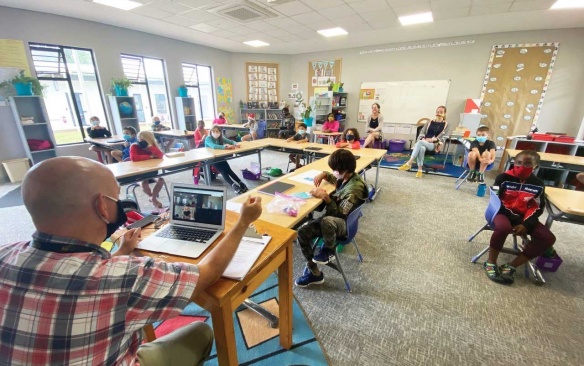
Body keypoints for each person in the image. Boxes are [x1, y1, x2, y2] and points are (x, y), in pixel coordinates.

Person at [0, 156, 263, 365]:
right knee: (201, 332)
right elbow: (207, 273)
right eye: (117, 197)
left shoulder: (4, 255)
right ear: (103, 207)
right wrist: (242, 222)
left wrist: (122, 252)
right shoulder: (124, 276)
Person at [295, 149, 368, 287]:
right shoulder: (348, 177)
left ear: (344, 170)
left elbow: (339, 214)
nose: (334, 172)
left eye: (336, 169)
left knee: (326, 221)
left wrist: (326, 198)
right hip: (336, 221)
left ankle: (329, 249)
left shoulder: (354, 190)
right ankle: (315, 274)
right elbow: (335, 178)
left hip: (342, 224)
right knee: (302, 232)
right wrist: (324, 174)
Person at [484, 150, 556, 284]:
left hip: (524, 217)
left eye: (528, 164)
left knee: (548, 238)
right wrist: (517, 220)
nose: (522, 166)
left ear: (536, 166)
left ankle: (511, 266)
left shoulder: (538, 184)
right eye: (518, 163)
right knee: (503, 227)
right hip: (501, 212)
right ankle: (490, 262)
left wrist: (527, 224)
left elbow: (538, 207)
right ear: (514, 163)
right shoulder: (502, 178)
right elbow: (495, 199)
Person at [398, 106, 448, 178]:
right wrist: (424, 139)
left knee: (420, 143)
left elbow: (445, 136)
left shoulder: (446, 124)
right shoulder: (429, 122)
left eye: (441, 112)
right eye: (437, 112)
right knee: (422, 148)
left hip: (433, 144)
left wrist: (436, 140)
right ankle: (420, 170)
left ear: (444, 113)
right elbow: (422, 132)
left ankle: (409, 163)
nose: (438, 113)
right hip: (424, 141)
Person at [205, 125, 249, 194]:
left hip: (220, 157)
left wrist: (235, 143)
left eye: (217, 131)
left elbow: (230, 141)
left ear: (220, 132)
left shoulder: (220, 138)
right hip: (212, 159)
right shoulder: (208, 138)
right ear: (211, 132)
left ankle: (241, 183)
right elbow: (213, 146)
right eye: (213, 131)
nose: (215, 133)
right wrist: (225, 147)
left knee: (229, 170)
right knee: (223, 171)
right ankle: (234, 185)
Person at [130, 131, 166, 208]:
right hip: (139, 172)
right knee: (144, 184)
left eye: (143, 140)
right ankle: (153, 199)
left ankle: (153, 198)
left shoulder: (151, 147)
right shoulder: (134, 146)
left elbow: (160, 155)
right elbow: (134, 158)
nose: (140, 142)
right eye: (139, 139)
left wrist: (150, 147)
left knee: (161, 180)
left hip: (150, 171)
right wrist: (149, 157)